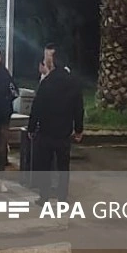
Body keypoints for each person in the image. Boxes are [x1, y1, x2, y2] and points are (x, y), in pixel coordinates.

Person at [27, 55, 84, 202]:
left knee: (45, 164)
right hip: (64, 132)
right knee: (63, 166)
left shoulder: (46, 82)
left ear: (53, 66)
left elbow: (36, 107)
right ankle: (62, 197)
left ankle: (44, 196)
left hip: (46, 131)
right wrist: (78, 129)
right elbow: (79, 109)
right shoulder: (74, 83)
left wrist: (31, 128)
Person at [0, 47, 18, 172]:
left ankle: (0, 166)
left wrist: (5, 100)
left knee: (1, 142)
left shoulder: (4, 74)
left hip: (3, 115)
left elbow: (15, 91)